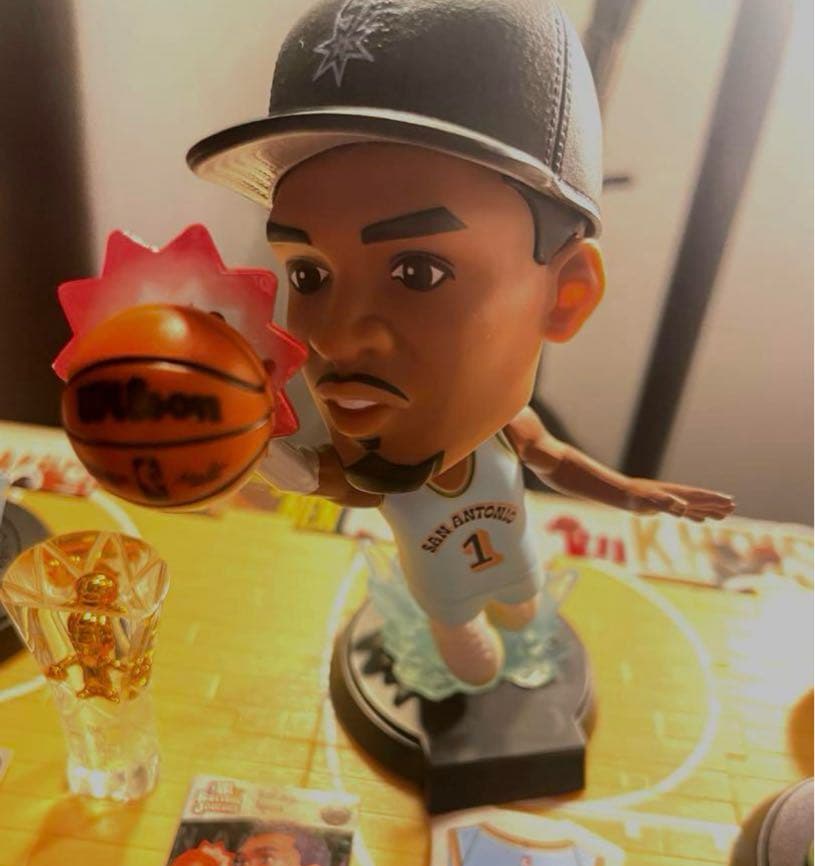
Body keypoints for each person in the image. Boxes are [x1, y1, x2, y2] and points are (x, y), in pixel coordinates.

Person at [187, 0, 734, 687]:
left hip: (516, 561)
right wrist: (242, 442)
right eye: (308, 274)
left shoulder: (506, 432)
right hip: (444, 599)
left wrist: (627, 492)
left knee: (525, 614)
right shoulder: (373, 474)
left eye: (418, 273)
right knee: (471, 664)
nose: (331, 335)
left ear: (564, 294)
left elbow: (557, 461)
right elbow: (306, 476)